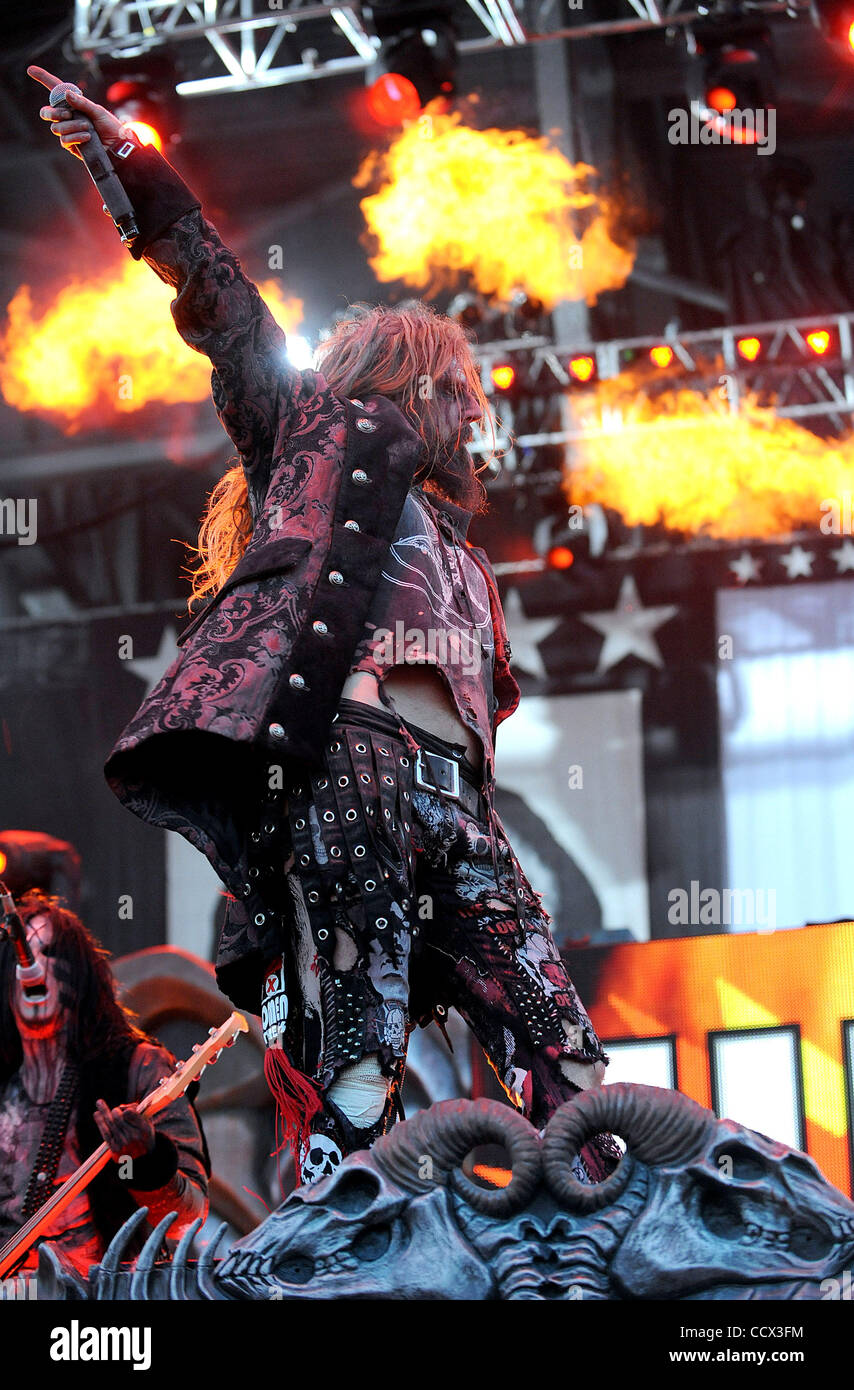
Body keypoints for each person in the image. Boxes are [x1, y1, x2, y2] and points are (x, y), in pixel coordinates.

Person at [29, 66, 621, 1187]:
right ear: (400, 384)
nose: (474, 412)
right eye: (455, 389)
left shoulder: (460, 553)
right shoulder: (318, 444)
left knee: (563, 1053)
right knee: (353, 1062)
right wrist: (134, 167)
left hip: (460, 812)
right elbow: (225, 310)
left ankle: (608, 1233)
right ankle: (335, 1264)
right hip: (347, 778)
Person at [0, 891, 209, 1279]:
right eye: (21, 955)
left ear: (78, 980)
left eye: (49, 953)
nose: (31, 966)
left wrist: (144, 1159)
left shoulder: (137, 1067)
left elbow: (190, 1214)